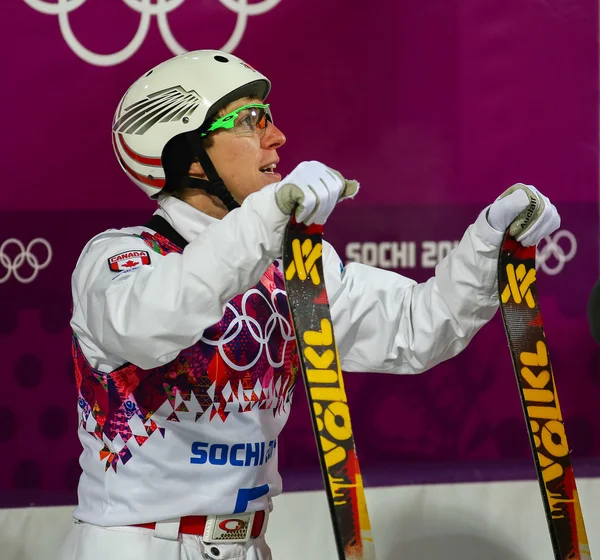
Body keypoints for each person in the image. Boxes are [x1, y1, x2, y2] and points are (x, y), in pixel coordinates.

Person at [59, 49, 561, 560]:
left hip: (247, 544)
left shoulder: (289, 262)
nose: (277, 137)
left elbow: (415, 329)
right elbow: (148, 323)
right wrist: (264, 220)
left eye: (270, 117)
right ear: (188, 155)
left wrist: (487, 246)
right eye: (250, 120)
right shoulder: (121, 256)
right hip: (138, 544)